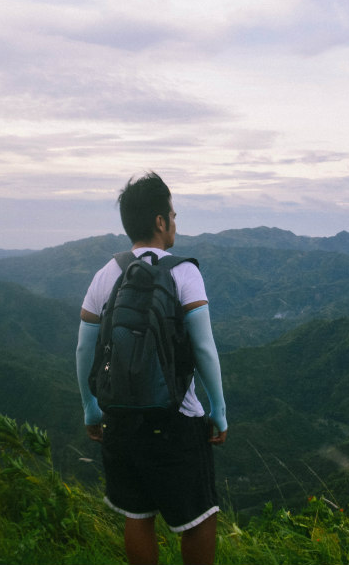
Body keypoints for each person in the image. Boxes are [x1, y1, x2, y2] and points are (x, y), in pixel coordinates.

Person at [75, 172, 228, 565]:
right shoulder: (183, 272)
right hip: (175, 419)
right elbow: (204, 348)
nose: (175, 223)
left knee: (137, 517)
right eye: (173, 216)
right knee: (199, 519)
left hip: (120, 420)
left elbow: (83, 348)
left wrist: (92, 408)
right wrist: (219, 412)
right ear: (160, 221)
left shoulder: (106, 275)